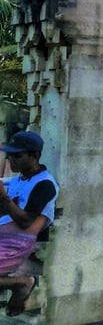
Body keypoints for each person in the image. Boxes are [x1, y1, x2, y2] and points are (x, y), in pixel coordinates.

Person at [0, 131, 58, 316]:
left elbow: (26, 222)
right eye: (9, 155)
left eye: (17, 155)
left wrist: (4, 198)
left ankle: (23, 283)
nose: (11, 159)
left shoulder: (45, 184)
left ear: (34, 156)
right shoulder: (19, 178)